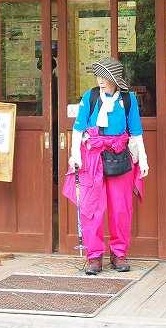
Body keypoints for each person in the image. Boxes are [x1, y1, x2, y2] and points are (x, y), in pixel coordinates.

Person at [62, 57, 149, 275]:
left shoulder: (128, 99)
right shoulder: (90, 97)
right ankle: (94, 256)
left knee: (121, 208)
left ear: (115, 79)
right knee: (92, 208)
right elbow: (78, 129)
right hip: (92, 158)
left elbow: (136, 131)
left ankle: (119, 254)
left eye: (105, 77)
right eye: (99, 76)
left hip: (120, 156)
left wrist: (144, 159)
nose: (100, 81)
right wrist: (75, 155)